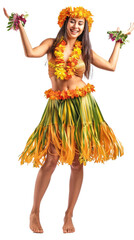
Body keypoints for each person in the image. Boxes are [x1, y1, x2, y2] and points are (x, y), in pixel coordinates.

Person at [3, 6, 134, 234]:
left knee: (77, 161)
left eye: (80, 23)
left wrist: (120, 40)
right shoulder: (51, 45)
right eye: (73, 21)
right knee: (51, 160)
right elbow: (31, 53)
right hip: (57, 108)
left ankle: (69, 214)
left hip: (83, 107)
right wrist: (20, 26)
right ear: (65, 22)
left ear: (85, 27)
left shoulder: (85, 50)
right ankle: (35, 211)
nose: (76, 26)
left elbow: (112, 67)